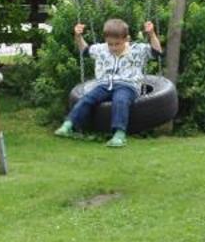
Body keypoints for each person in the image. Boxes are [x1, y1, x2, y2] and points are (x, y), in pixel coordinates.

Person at [54, 17, 163, 147]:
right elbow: (85, 50)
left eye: (117, 44)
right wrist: (78, 36)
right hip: (104, 84)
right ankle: (68, 125)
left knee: (120, 100)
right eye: (110, 44)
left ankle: (119, 134)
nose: (113, 47)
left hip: (127, 85)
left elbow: (157, 52)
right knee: (87, 98)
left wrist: (151, 34)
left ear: (126, 39)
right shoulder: (101, 49)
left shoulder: (137, 49)